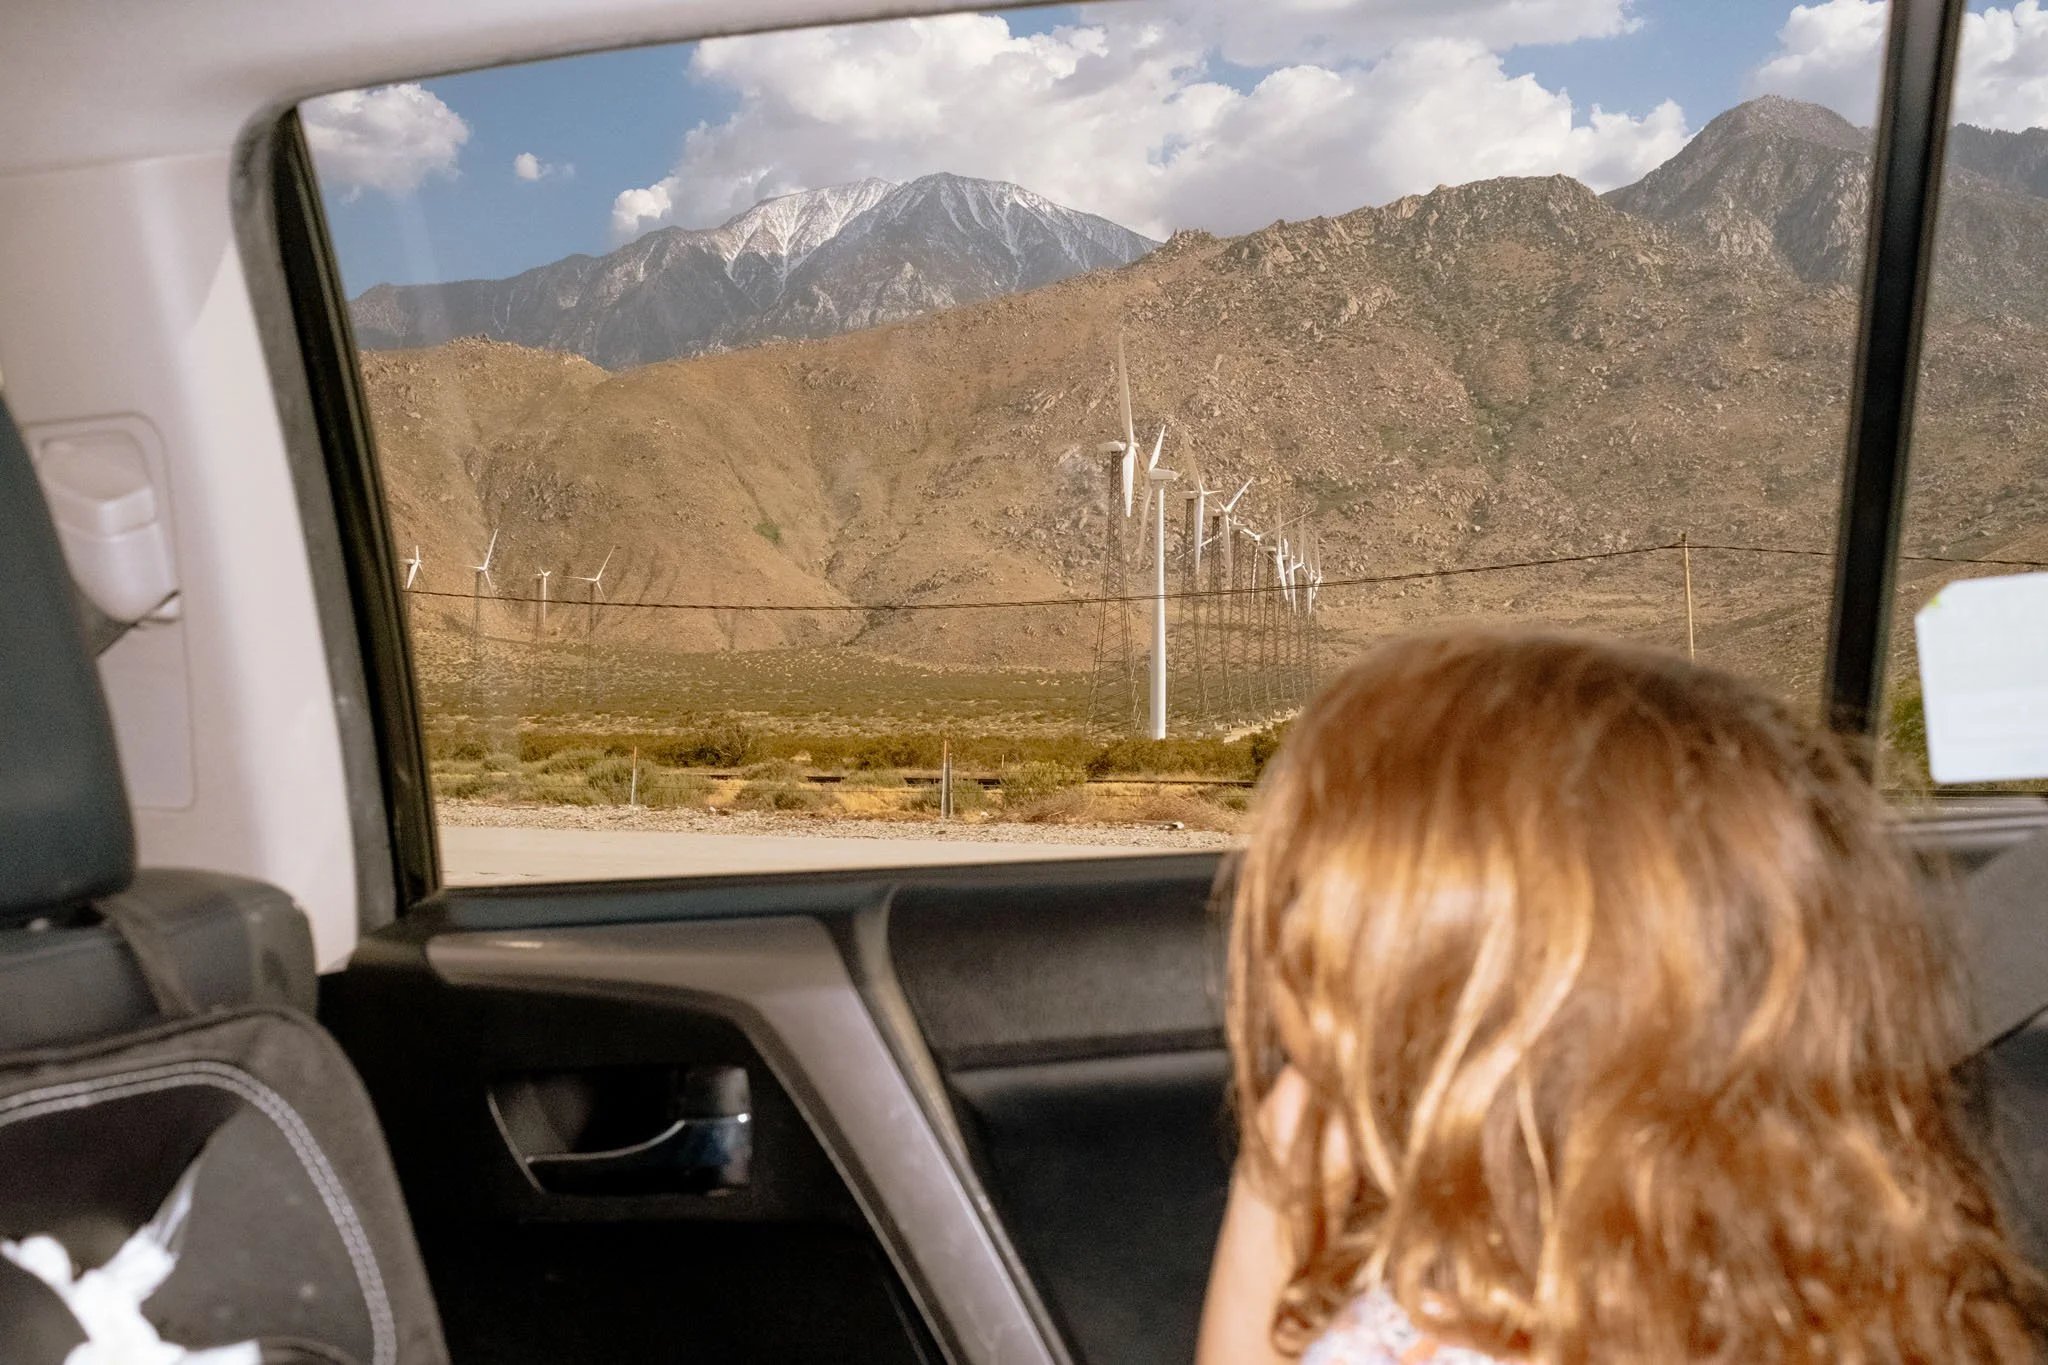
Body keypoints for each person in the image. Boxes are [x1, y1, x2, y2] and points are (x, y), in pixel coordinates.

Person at [1197, 630, 2044, 1364]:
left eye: (1304, 915)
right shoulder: (1905, 1295)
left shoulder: (1424, 1337)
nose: (1279, 950)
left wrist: (1273, 1194)